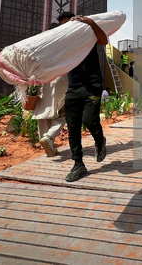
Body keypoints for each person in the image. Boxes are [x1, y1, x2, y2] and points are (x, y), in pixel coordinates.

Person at [57, 11, 108, 182]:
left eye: (68, 23)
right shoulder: (62, 43)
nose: (65, 28)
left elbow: (104, 40)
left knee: (90, 120)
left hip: (92, 86)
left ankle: (100, 140)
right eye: (62, 26)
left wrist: (91, 23)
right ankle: (78, 164)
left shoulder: (87, 36)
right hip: (73, 88)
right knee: (72, 128)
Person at [35, 75, 68, 158]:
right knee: (62, 115)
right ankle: (48, 137)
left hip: (42, 81)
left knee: (43, 112)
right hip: (60, 80)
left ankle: (49, 146)